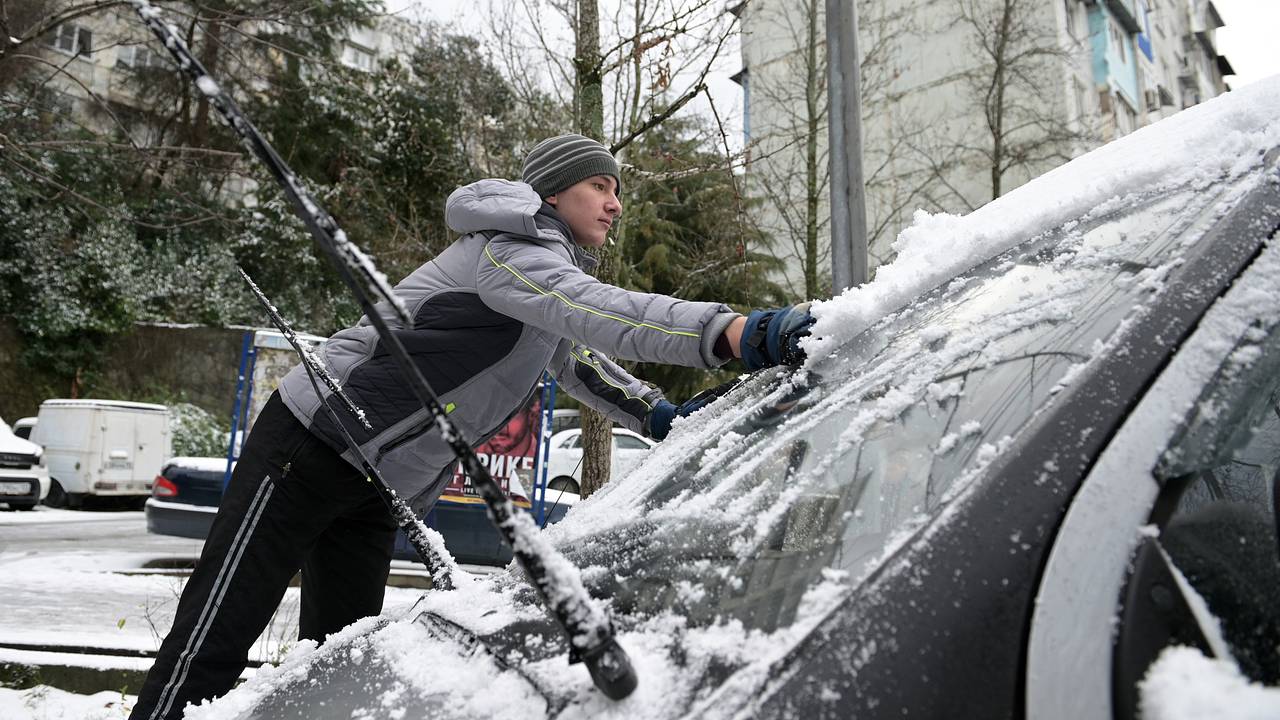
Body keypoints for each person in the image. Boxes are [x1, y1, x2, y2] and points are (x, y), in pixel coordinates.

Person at [129, 134, 813, 720]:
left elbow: (575, 355)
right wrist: (730, 332)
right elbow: (597, 311)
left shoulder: (540, 269)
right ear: (551, 195)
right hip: (309, 448)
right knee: (214, 640)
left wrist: (655, 415)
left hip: (376, 485)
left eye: (617, 190)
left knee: (332, 662)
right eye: (598, 185)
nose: (615, 202)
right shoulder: (508, 253)